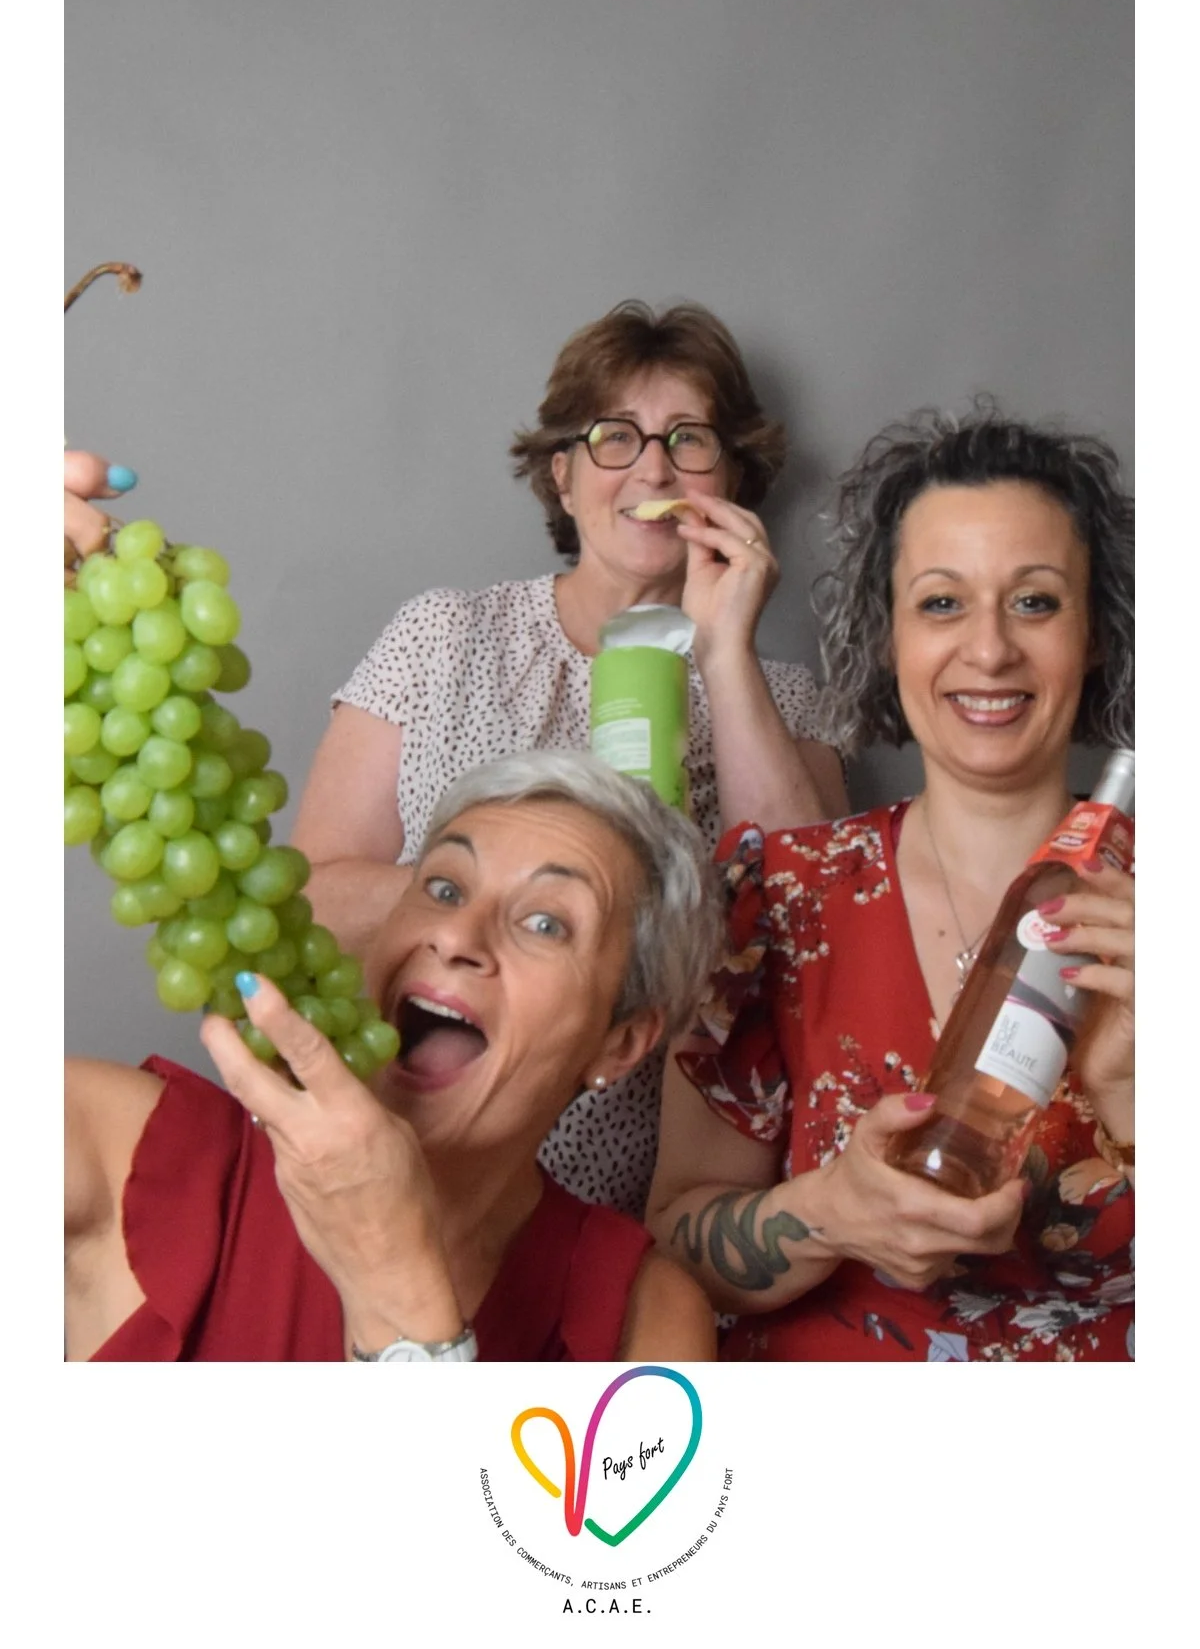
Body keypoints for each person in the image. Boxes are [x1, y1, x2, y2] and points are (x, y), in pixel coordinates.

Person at [292, 301, 847, 1216]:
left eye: (691, 439)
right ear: (562, 472)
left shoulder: (782, 698)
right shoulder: (445, 636)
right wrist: (521, 906)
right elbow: (309, 899)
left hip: (629, 1210)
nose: (654, 467)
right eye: (615, 437)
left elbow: (815, 946)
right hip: (396, 1148)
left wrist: (724, 653)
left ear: (735, 478)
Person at [647, 406, 1135, 1361]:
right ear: (887, 638)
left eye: (1035, 602)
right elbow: (674, 1235)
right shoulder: (776, 898)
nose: (989, 650)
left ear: (1098, 637)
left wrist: (1144, 1099)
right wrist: (827, 1215)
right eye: (942, 603)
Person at [65, 744, 723, 1362]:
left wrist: (392, 1275)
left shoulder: (644, 1320)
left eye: (546, 923)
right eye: (443, 889)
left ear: (621, 1042)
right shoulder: (131, 1150)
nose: (456, 934)